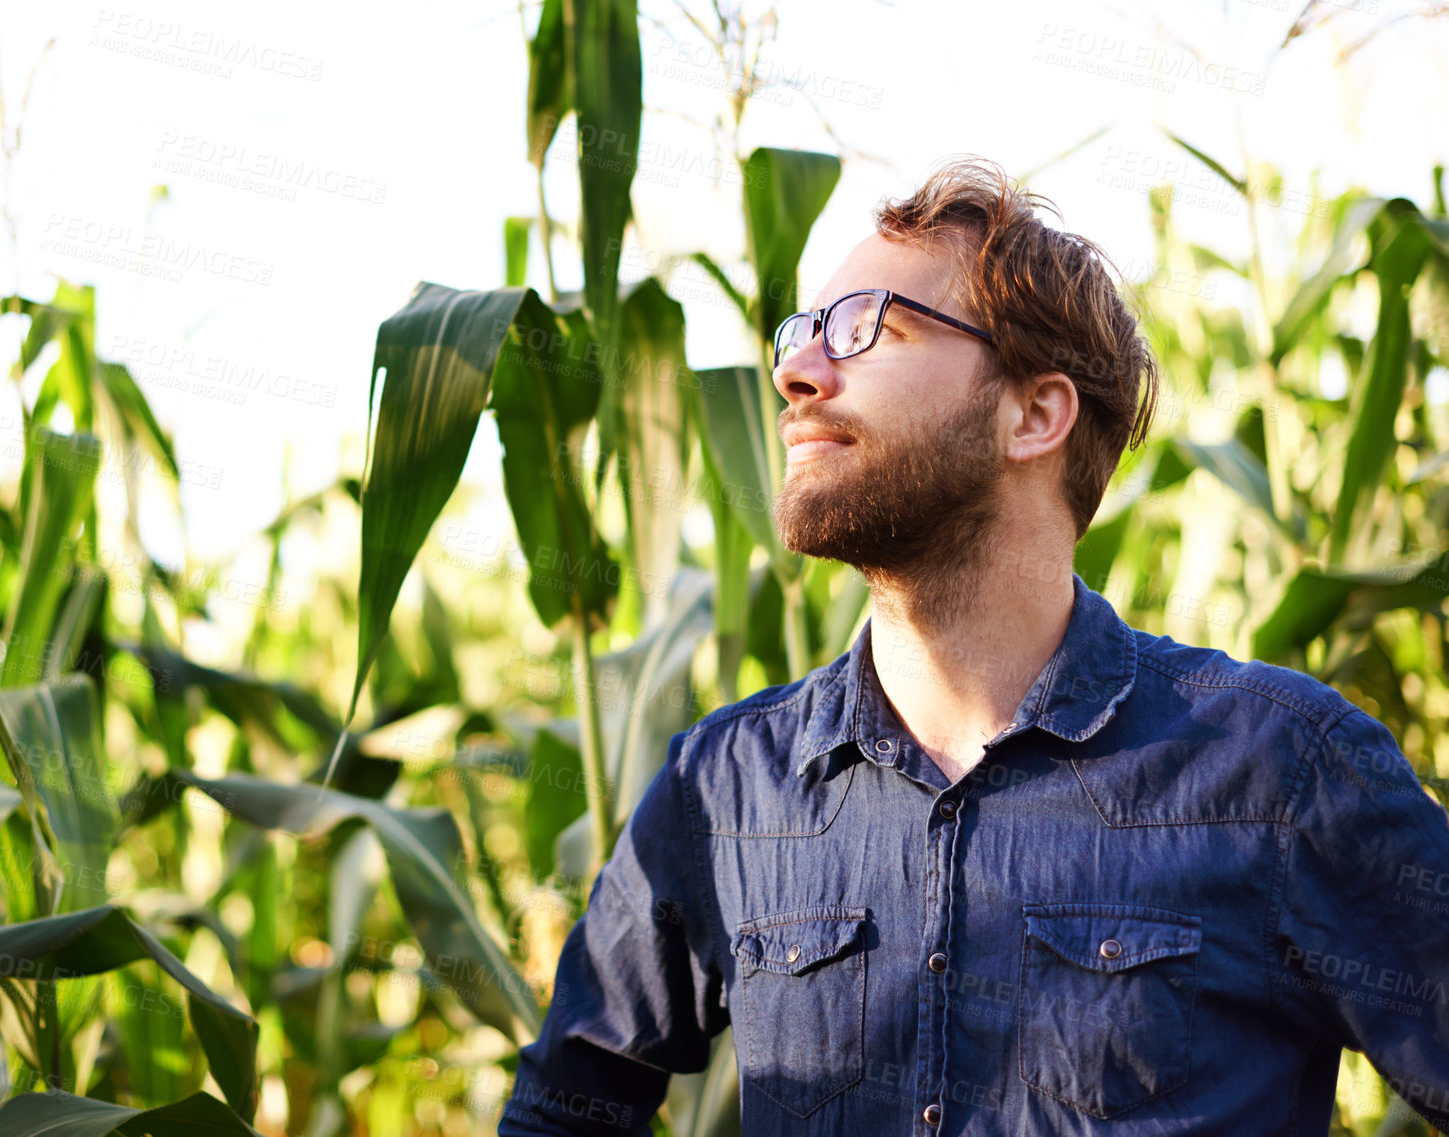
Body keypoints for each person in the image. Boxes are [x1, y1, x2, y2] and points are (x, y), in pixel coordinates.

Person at [496, 156, 1449, 1135]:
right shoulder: (725, 789)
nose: (795, 373)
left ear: (1033, 414)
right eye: (803, 333)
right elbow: (561, 1112)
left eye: (868, 328)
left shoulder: (1281, 771)